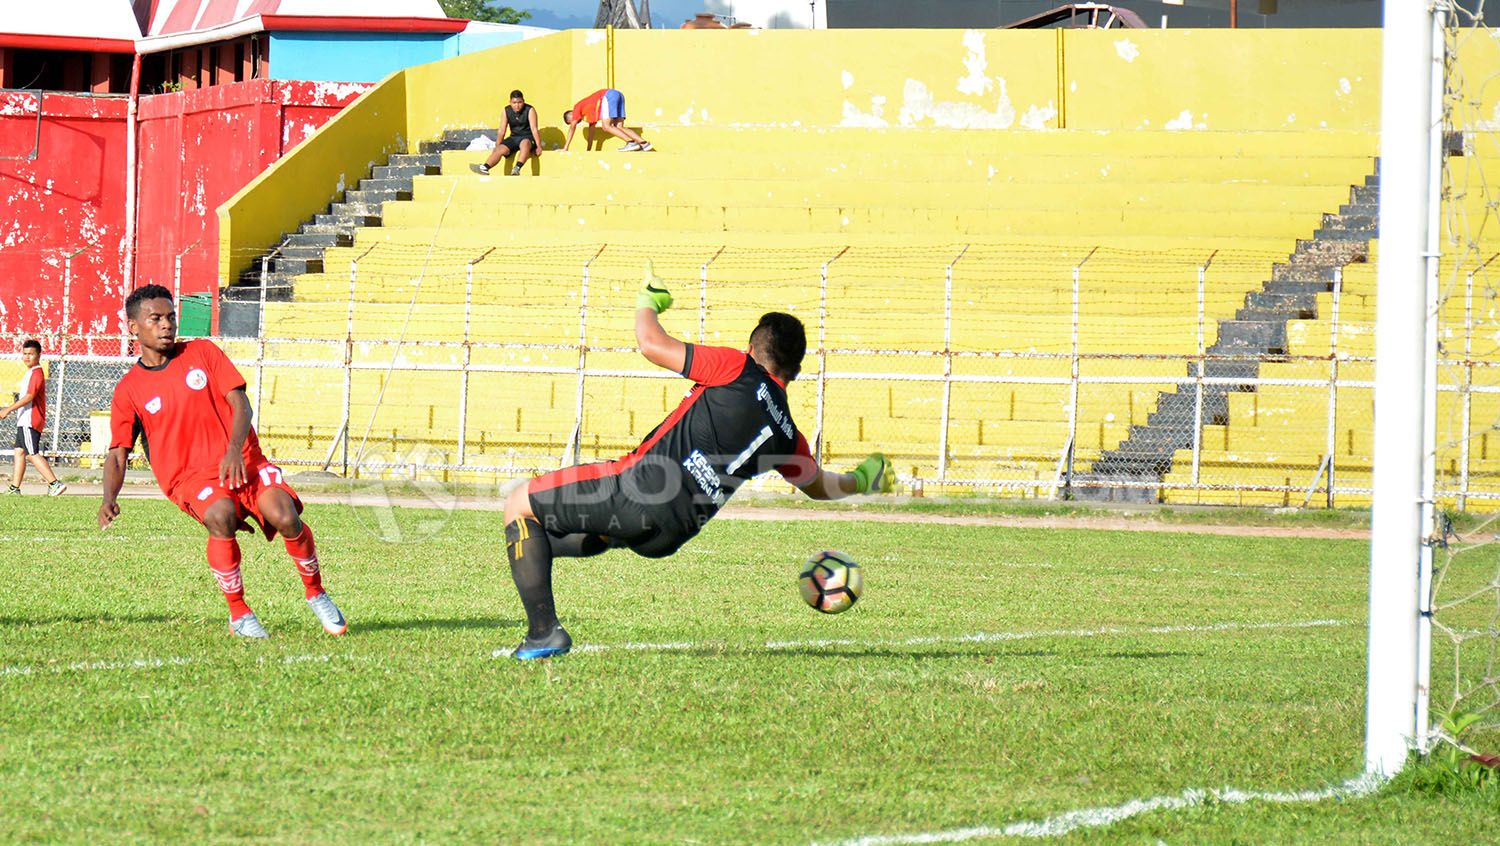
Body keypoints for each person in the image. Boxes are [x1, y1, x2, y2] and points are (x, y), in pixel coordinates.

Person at [500, 262, 894, 659]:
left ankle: (544, 632)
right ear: (795, 371)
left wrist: (648, 302)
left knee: (519, 506)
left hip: (636, 491)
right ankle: (530, 559)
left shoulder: (737, 368)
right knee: (569, 536)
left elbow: (652, 344)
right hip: (673, 534)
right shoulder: (787, 435)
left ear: (752, 348)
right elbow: (820, 486)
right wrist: (862, 479)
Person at [98, 285, 347, 640]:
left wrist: (233, 447)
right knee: (221, 516)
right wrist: (109, 497)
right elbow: (118, 453)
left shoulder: (202, 352)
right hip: (190, 477)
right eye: (156, 318)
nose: (167, 325)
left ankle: (316, 592)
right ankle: (240, 613)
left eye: (171, 316)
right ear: (134, 327)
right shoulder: (129, 389)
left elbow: (240, 402)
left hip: (244, 460)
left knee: (285, 516)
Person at [1, 338, 66, 496]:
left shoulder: (37, 372)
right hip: (24, 419)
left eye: (31, 354)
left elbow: (30, 396)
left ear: (38, 355)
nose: (27, 357)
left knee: (31, 453)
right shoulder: (30, 373)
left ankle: (54, 483)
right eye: (25, 353)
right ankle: (15, 488)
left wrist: (8, 409)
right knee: (19, 452)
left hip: (30, 420)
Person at [471, 89, 542, 176]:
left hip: (527, 137)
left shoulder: (530, 110)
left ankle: (517, 168)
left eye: (520, 102)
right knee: (499, 149)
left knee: (525, 143)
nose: (517, 105)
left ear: (523, 101)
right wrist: (497, 145)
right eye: (514, 103)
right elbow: (502, 130)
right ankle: (485, 167)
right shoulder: (506, 110)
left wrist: (538, 146)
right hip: (514, 137)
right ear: (510, 102)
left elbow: (534, 129)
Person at [561, 88, 652, 152]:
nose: (576, 122)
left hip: (607, 95)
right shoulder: (588, 113)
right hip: (618, 94)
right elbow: (591, 132)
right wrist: (589, 149)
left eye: (572, 121)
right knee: (619, 126)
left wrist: (566, 147)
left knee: (606, 126)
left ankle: (631, 142)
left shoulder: (577, 107)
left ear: (571, 115)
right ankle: (644, 144)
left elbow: (572, 128)